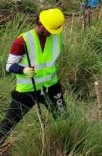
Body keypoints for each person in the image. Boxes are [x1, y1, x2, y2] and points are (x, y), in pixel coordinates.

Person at [0, 9, 68, 144]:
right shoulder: (22, 40)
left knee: (64, 119)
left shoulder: (56, 36)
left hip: (52, 88)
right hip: (27, 91)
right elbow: (9, 66)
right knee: (7, 125)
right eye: (49, 30)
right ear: (40, 24)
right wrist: (23, 70)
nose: (51, 34)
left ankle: (68, 145)